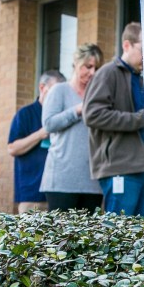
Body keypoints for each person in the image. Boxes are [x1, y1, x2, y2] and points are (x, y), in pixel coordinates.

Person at [84, 23, 144, 217]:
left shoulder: (142, 78)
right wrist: (139, 119)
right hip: (119, 168)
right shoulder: (107, 73)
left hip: (143, 167)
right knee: (118, 233)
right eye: (143, 50)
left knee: (137, 234)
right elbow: (92, 114)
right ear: (127, 45)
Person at [40, 45, 104, 211]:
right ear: (76, 63)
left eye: (96, 68)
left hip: (93, 181)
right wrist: (77, 110)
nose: (92, 73)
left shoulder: (98, 94)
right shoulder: (59, 90)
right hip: (62, 180)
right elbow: (48, 124)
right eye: (88, 66)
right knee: (61, 236)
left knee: (89, 236)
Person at [8, 70, 65, 213]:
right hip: (32, 192)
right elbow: (12, 148)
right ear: (42, 87)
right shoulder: (25, 114)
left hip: (61, 190)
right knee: (31, 235)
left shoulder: (64, 115)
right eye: (54, 91)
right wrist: (41, 133)